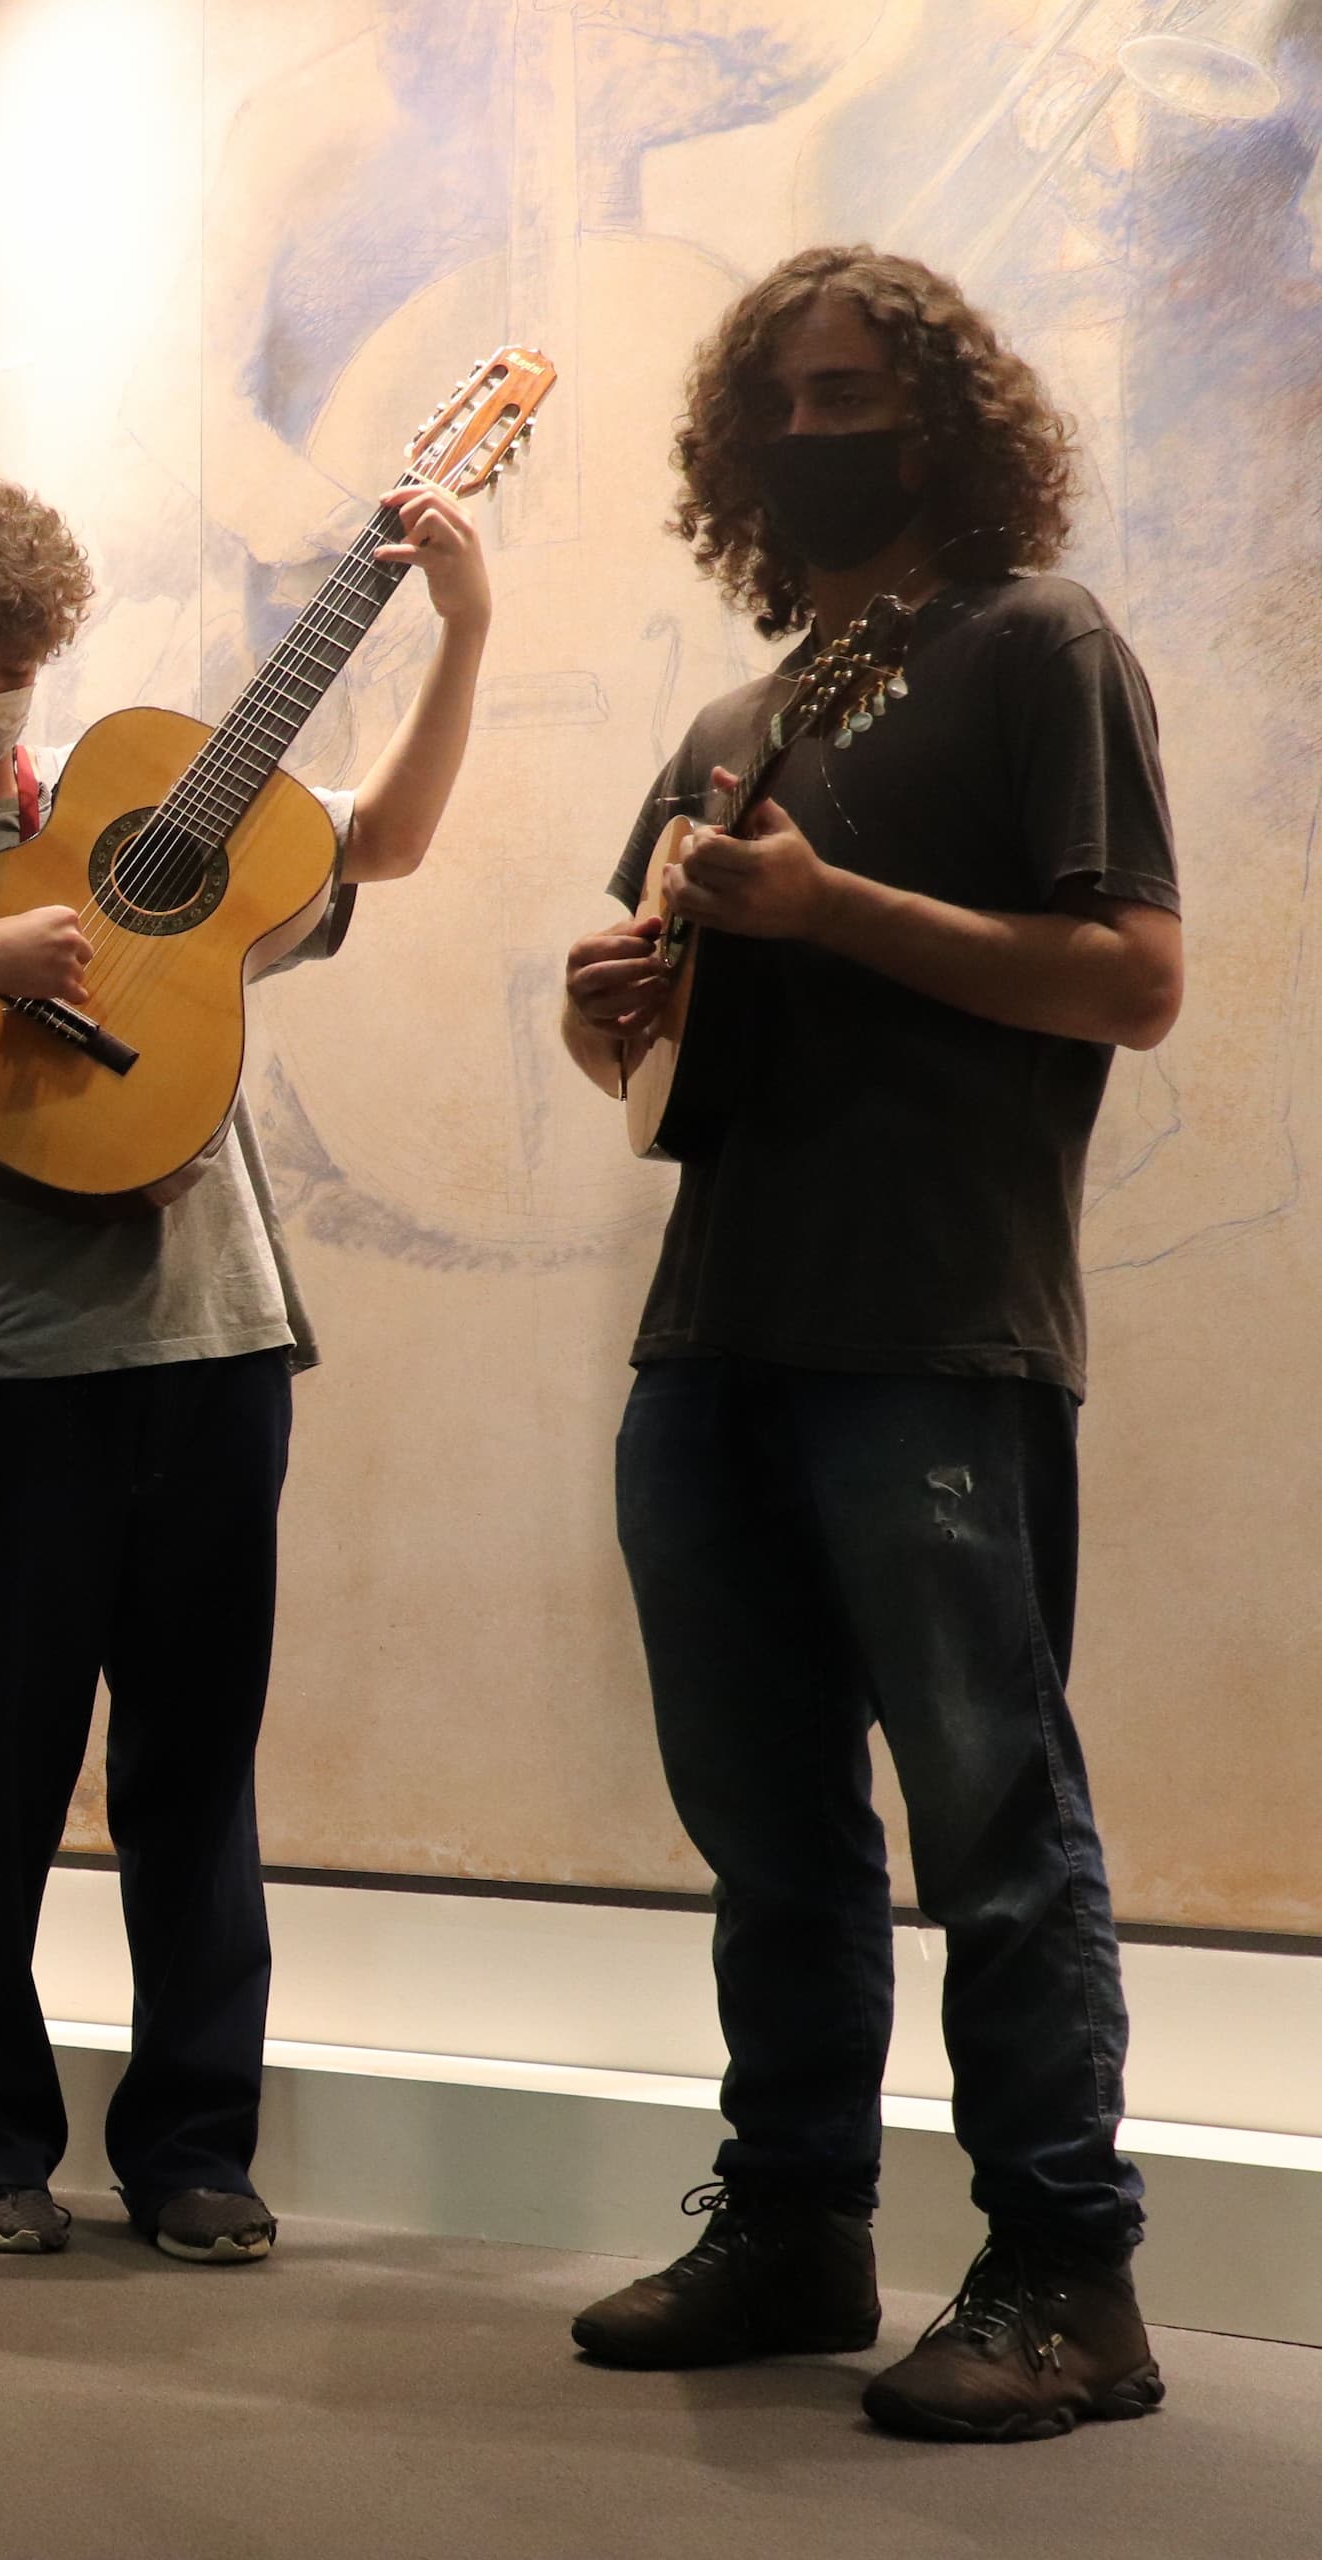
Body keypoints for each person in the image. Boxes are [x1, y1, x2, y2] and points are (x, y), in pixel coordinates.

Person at [555, 247, 1181, 2442]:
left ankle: (1066, 2273)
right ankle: (803, 2217)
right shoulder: (738, 718)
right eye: (784, 402)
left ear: (945, 417)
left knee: (994, 1810)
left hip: (937, 1318)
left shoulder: (1042, 647)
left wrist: (842, 915)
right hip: (716, 1323)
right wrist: (606, 1005)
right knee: (771, 1822)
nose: (817, 433)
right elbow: (635, 1043)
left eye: (856, 394)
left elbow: (1129, 978)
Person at [0, 466, 487, 2266]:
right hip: (9, 1375)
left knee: (195, 1769)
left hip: (219, 1347)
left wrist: (464, 627)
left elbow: (371, 843)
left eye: (13, 656)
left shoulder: (136, 813)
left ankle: (196, 2151)